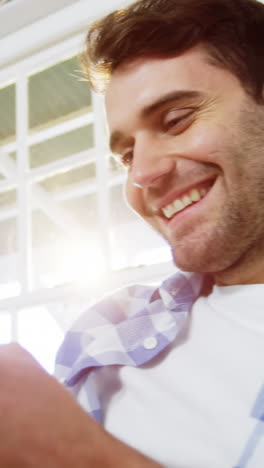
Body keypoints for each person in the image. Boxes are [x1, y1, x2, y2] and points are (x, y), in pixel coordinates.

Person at [1, 0, 264, 466]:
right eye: (125, 155)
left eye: (176, 120)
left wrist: (81, 455)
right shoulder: (107, 340)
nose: (141, 173)